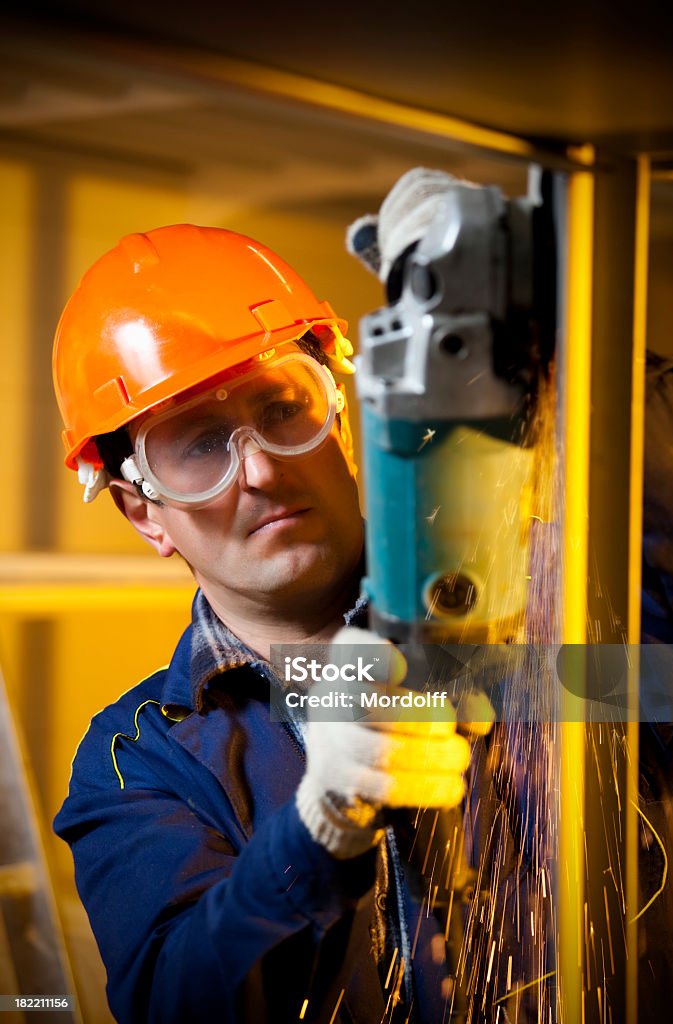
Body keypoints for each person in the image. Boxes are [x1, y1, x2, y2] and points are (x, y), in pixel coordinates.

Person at [52, 224, 475, 1024]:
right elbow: (176, 1000)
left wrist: (569, 358)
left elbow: (663, 694)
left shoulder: (499, 619)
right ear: (144, 512)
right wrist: (315, 836)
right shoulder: (138, 759)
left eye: (285, 408)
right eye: (201, 445)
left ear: (341, 418)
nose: (262, 469)